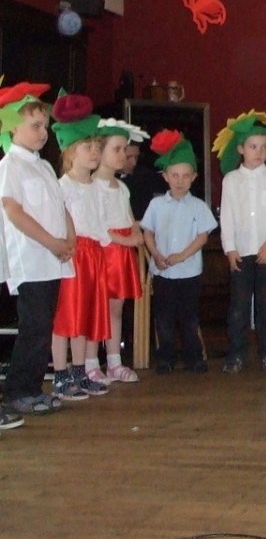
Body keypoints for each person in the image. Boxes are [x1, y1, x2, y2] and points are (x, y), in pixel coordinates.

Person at [0, 81, 74, 418]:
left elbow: (60, 206)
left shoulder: (43, 165)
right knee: (34, 327)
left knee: (43, 326)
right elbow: (14, 213)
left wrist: (69, 238)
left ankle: (31, 388)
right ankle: (18, 392)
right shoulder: (10, 166)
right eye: (35, 126)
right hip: (31, 260)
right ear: (13, 127)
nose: (43, 133)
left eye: (45, 126)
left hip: (52, 259)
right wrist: (51, 242)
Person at [214, 111, 266, 373]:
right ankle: (236, 355)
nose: (259, 152)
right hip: (241, 251)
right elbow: (227, 216)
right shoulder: (231, 180)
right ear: (241, 149)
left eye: (264, 147)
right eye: (253, 147)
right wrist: (230, 248)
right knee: (239, 307)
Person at [49, 92, 111, 399]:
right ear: (71, 152)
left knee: (86, 315)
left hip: (95, 255)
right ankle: (60, 375)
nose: (95, 152)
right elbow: (59, 221)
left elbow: (100, 223)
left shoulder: (97, 186)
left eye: (97, 146)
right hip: (74, 255)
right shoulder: (63, 186)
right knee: (66, 317)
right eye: (88, 147)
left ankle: (80, 370)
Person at [140, 130, 217, 373]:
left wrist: (182, 256)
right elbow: (147, 232)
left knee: (189, 317)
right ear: (165, 176)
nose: (180, 181)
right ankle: (166, 357)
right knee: (163, 318)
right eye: (175, 175)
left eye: (185, 176)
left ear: (193, 177)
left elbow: (203, 236)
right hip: (163, 273)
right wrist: (156, 255)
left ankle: (194, 357)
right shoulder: (156, 204)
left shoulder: (198, 206)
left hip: (189, 273)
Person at [87, 117, 150, 384]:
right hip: (102, 254)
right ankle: (90, 363)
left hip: (121, 255)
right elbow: (96, 226)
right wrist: (125, 240)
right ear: (99, 150)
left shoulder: (122, 187)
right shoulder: (92, 186)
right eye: (117, 149)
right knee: (96, 308)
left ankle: (114, 362)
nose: (123, 154)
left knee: (116, 309)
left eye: (125, 149)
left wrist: (135, 232)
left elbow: (128, 217)